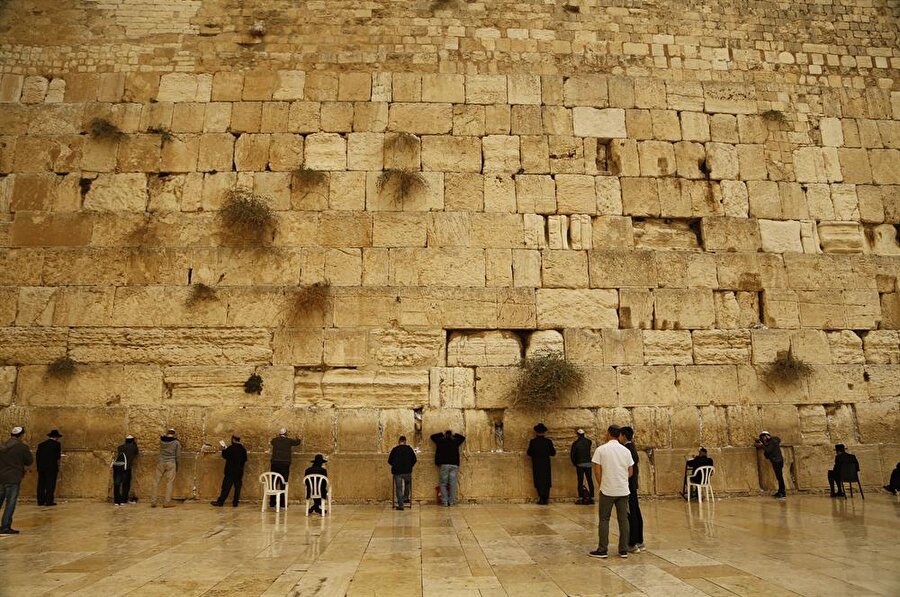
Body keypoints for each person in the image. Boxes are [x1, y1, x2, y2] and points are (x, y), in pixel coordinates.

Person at [589, 425, 633, 560]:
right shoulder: (626, 451)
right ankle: (623, 550)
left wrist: (602, 485)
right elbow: (630, 472)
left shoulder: (601, 450)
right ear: (619, 435)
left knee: (604, 519)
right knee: (623, 519)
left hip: (607, 490)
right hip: (623, 490)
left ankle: (603, 550)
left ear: (608, 434)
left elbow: (597, 471)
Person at [0, 426, 33, 534]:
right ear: (21, 435)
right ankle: (5, 526)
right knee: (10, 503)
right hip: (13, 478)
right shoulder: (22, 447)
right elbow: (29, 461)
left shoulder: (2, 446)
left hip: (1, 478)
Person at [618, 426, 644, 553]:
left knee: (630, 514)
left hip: (628, 486)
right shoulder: (632, 447)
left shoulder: (626, 449)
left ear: (623, 435)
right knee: (635, 512)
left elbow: (628, 471)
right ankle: (639, 540)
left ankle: (632, 543)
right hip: (632, 486)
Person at [430, 430, 465, 506]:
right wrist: (454, 433)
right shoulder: (455, 441)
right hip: (454, 464)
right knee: (453, 483)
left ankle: (445, 501)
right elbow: (462, 438)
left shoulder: (440, 441)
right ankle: (451, 502)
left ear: (445, 435)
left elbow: (432, 437)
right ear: (451, 435)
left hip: (444, 464)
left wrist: (441, 433)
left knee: (443, 483)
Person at [211, 435, 248, 507]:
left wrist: (224, 448)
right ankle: (235, 503)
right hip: (239, 472)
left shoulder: (231, 448)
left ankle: (221, 502)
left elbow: (225, 455)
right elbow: (245, 459)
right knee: (237, 488)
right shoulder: (243, 449)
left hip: (230, 471)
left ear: (233, 440)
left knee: (226, 487)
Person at [269, 428, 301, 508]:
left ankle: (272, 503)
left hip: (275, 464)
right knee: (283, 483)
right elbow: (297, 442)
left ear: (279, 434)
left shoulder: (275, 440)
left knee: (274, 483)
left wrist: (276, 437)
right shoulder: (289, 441)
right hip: (285, 464)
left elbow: (272, 442)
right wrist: (298, 437)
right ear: (286, 434)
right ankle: (282, 503)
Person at [150, 428, 181, 508]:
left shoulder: (161, 441)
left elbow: (163, 439)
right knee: (169, 482)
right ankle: (167, 502)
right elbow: (178, 456)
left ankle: (153, 501)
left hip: (161, 462)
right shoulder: (176, 442)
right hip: (171, 463)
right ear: (174, 433)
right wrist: (177, 465)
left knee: (156, 481)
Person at [527, 423, 556, 505]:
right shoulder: (548, 442)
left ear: (536, 432)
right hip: (546, 464)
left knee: (538, 480)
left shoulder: (533, 442)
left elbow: (529, 453)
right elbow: (553, 453)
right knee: (546, 480)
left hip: (537, 464)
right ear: (544, 432)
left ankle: (541, 498)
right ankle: (546, 498)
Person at [387, 436, 417, 511]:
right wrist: (410, 466)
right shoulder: (409, 449)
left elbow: (389, 461)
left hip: (397, 472)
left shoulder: (395, 449)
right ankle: (406, 498)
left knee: (399, 488)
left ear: (399, 441)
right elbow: (414, 459)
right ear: (405, 441)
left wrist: (395, 465)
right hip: (407, 471)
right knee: (407, 484)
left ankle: (401, 505)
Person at [755, 431, 786, 499]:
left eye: (764, 436)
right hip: (776, 461)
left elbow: (768, 451)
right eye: (762, 437)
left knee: (780, 478)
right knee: (779, 477)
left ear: (768, 436)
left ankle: (782, 492)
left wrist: (762, 446)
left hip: (777, 461)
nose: (764, 438)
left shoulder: (773, 441)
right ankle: (781, 491)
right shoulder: (773, 441)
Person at [36, 429, 63, 506]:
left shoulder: (41, 444)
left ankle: (40, 501)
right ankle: (49, 501)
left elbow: (37, 457)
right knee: (50, 484)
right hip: (52, 468)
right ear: (56, 437)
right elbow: (58, 456)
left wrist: (38, 467)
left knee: (41, 484)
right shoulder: (57, 444)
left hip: (41, 467)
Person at [112, 434, 139, 506]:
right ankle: (123, 500)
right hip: (126, 468)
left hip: (118, 466)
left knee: (117, 483)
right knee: (126, 484)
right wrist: (135, 442)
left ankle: (116, 501)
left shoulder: (120, 447)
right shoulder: (133, 447)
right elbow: (136, 452)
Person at [570, 429, 594, 505]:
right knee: (590, 480)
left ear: (577, 434)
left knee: (580, 481)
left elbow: (572, 455)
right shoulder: (589, 442)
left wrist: (574, 463)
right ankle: (592, 497)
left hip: (579, 464)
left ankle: (580, 498)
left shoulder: (575, 443)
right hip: (588, 464)